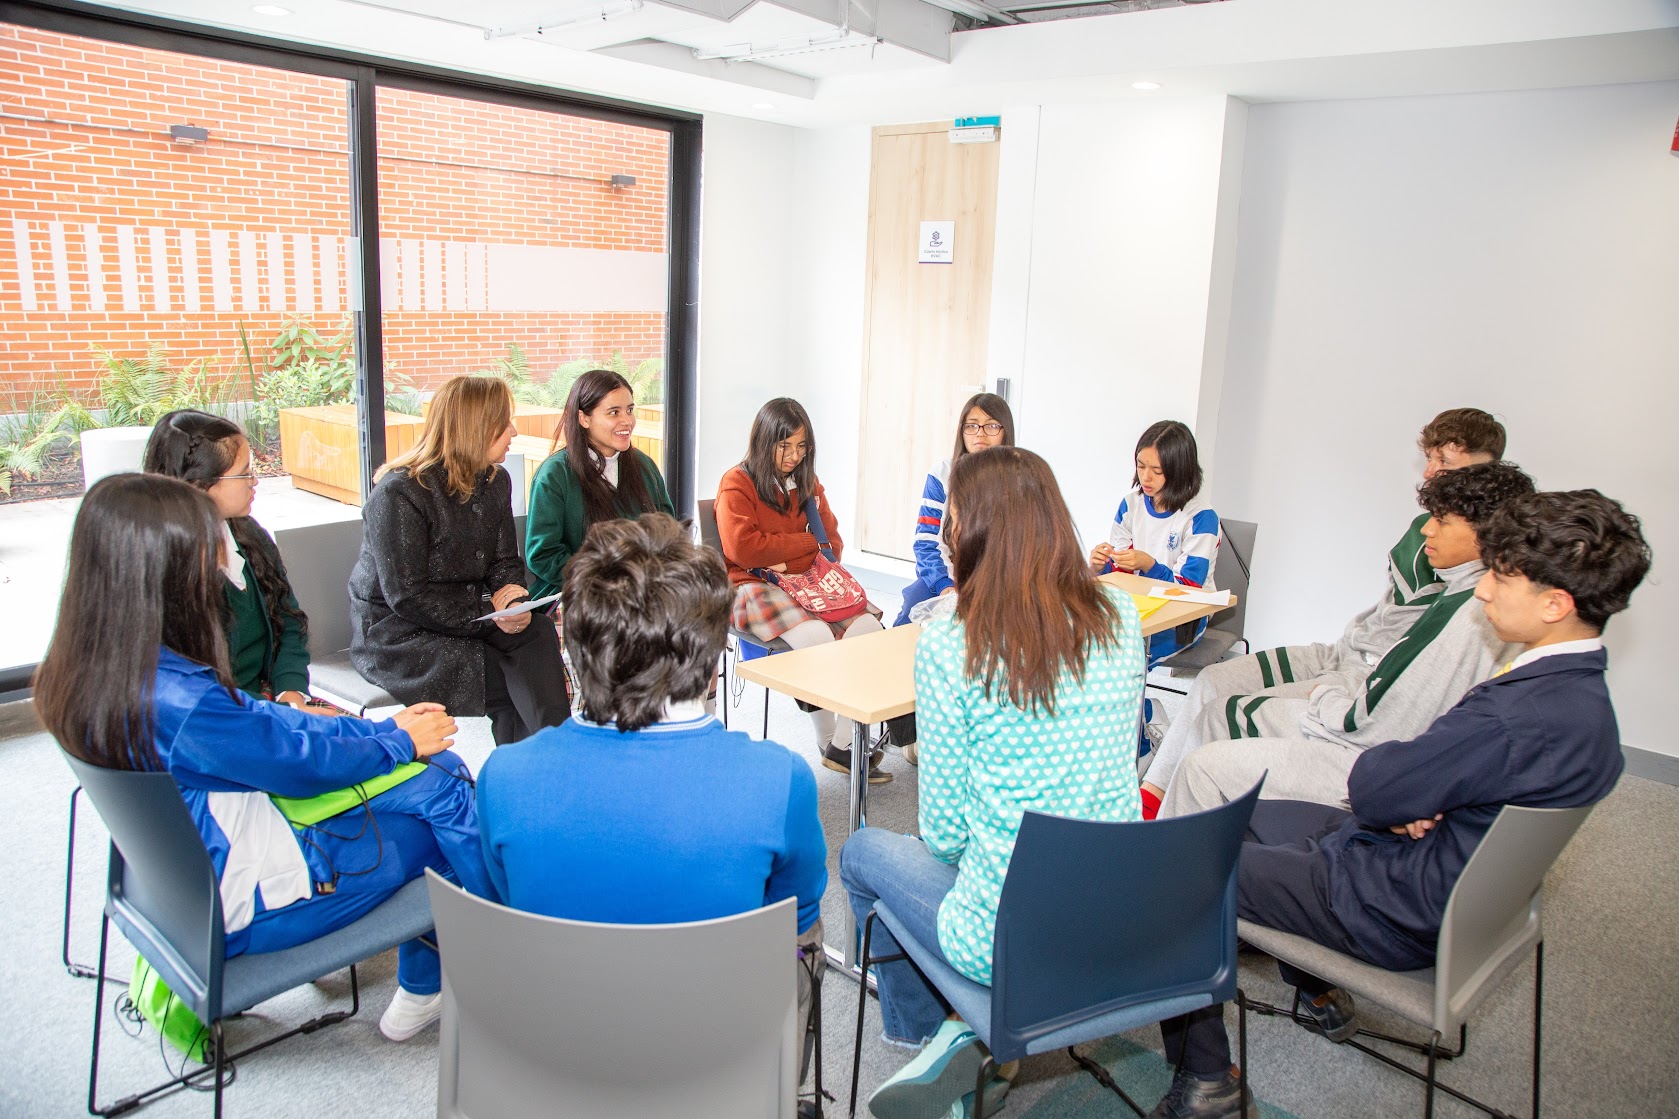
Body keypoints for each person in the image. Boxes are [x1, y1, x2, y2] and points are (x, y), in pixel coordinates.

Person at [1146, 488, 1649, 1119]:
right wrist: (1426, 793)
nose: (1485, 591)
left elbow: (1375, 785)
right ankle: (1310, 980)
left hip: (1385, 901)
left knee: (1177, 870)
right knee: (1227, 823)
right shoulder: (1586, 708)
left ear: (1556, 603)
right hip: (1443, 888)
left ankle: (1206, 1077)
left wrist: (1413, 792)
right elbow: (1406, 788)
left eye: (1502, 577)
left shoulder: (1510, 714)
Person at [33, 473, 496, 1044]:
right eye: (209, 545)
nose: (221, 559)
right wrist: (397, 741)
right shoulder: (181, 697)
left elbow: (258, 728)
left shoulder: (90, 666)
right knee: (448, 808)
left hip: (175, 879)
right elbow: (295, 762)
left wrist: (370, 727)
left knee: (436, 778)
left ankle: (458, 970)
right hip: (244, 897)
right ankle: (476, 975)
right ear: (167, 570)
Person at [841, 447, 1147, 1119]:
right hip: (1116, 913)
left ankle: (938, 1039)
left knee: (861, 850)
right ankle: (960, 1036)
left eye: (950, 518)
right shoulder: (1121, 617)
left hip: (1013, 933)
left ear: (971, 531)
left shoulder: (953, 640)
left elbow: (945, 835)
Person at [476, 513, 829, 1091]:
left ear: (573, 647)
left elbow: (504, 914)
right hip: (715, 1068)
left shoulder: (503, 777)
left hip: (555, 1067)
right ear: (713, 659)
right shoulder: (778, 780)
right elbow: (797, 917)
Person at [1140, 408, 1507, 818]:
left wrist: (1330, 696)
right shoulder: (1431, 536)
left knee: (1219, 720)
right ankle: (1154, 794)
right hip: (1341, 652)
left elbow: (1396, 715)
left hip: (1360, 685)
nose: (1430, 472)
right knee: (1210, 681)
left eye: (1446, 463)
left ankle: (1192, 815)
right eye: (1431, 459)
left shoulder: (1476, 599)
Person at [350, 375, 569, 745]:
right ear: (475, 428)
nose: (514, 431)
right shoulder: (399, 492)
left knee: (537, 632)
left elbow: (504, 563)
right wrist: (491, 616)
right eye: (505, 423)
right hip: (401, 634)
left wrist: (513, 604)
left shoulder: (495, 480)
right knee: (513, 681)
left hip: (471, 617)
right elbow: (407, 596)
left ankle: (551, 761)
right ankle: (541, 772)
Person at [715, 397, 890, 782]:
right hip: (751, 585)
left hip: (809, 583)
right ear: (764, 441)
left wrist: (782, 552)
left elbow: (834, 548)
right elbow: (744, 551)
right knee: (816, 635)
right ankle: (827, 735)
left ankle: (843, 746)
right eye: (784, 446)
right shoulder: (737, 482)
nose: (794, 456)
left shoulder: (809, 484)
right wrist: (804, 544)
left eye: (801, 446)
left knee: (870, 632)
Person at [143, 409, 328, 711]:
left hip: (273, 703)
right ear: (200, 485)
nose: (254, 481)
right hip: (224, 715)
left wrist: (291, 692)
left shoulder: (249, 535)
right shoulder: (166, 572)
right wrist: (286, 715)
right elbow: (198, 694)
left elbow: (290, 621)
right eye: (244, 473)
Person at [524, 367, 674, 603]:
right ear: (584, 418)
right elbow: (543, 555)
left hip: (643, 593)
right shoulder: (554, 474)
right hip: (580, 596)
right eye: (614, 412)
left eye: (630, 410)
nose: (627, 421)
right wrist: (608, 582)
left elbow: (669, 533)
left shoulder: (644, 466)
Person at [1090, 420, 1220, 664]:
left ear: (1179, 471)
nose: (1146, 477)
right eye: (1141, 466)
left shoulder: (1201, 517)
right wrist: (1100, 567)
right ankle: (1134, 703)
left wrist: (1149, 565)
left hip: (1183, 619)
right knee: (1083, 643)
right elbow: (1120, 571)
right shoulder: (1131, 505)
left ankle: (1144, 705)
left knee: (1125, 659)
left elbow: (1188, 587)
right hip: (1136, 609)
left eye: (1157, 471)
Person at [894, 391, 1015, 627]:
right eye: (972, 426)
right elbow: (926, 541)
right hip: (946, 574)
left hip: (996, 579)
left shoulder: (1017, 479)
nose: (980, 433)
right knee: (910, 615)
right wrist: (945, 586)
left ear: (1005, 431)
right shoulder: (943, 473)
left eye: (991, 425)